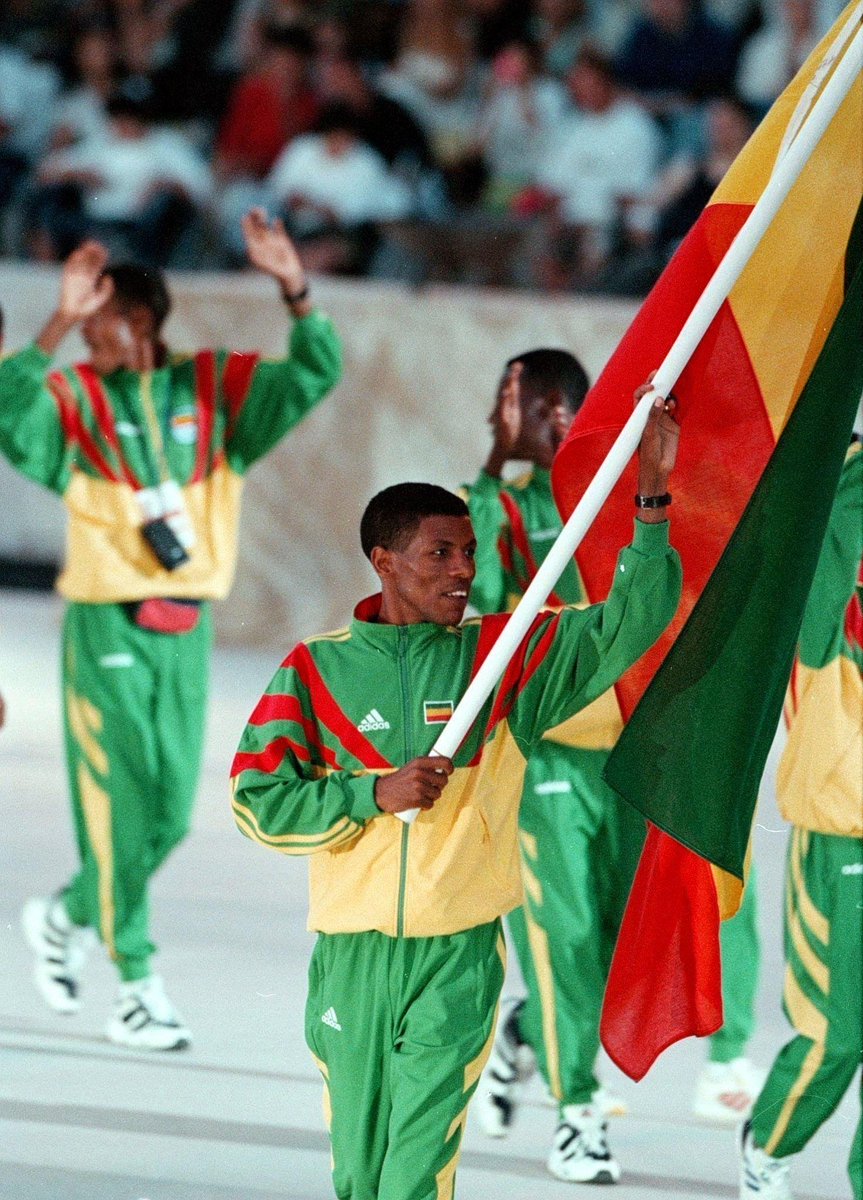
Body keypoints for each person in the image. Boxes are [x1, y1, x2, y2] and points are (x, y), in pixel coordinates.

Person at [230, 389, 682, 1200]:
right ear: (385, 560)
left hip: (457, 956)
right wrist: (372, 793)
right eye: (440, 553)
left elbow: (630, 622)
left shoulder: (505, 654)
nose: (464, 569)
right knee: (358, 1174)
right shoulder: (316, 668)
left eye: (468, 552)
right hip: (350, 958)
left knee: (413, 1172)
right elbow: (256, 801)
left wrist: (651, 502)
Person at [2, 210, 342, 1050]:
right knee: (121, 813)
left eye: (97, 316)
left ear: (142, 320)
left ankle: (68, 912)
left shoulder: (213, 389)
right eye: (78, 321)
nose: (87, 336)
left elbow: (315, 371)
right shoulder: (75, 397)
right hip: (105, 628)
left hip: (188, 628)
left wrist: (293, 286)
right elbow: (10, 413)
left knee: (171, 817)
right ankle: (136, 983)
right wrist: (54, 319)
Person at [462, 351, 653, 1182]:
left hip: (633, 759)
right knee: (564, 935)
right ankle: (578, 1114)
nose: (528, 419)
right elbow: (485, 597)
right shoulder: (499, 506)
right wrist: (493, 466)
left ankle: (525, 1032)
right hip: (543, 758)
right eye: (511, 403)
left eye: (545, 406)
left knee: (615, 950)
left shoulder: (617, 496)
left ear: (579, 412)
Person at [738, 435, 863, 1200]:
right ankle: (768, 1142)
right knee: (836, 1036)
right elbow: (832, 523)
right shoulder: (823, 625)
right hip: (839, 839)